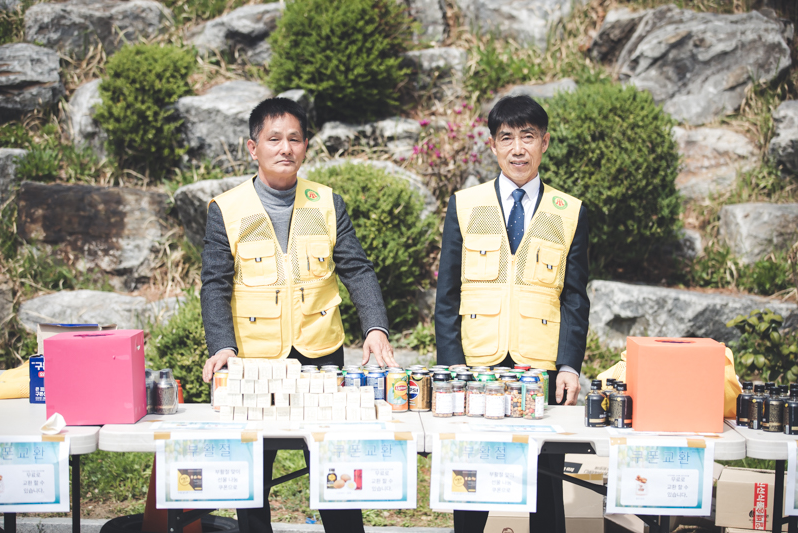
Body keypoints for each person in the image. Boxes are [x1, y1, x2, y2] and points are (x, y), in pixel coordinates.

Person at [200, 97, 397, 533]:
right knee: (254, 475)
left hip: (320, 355)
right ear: (252, 148)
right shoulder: (226, 209)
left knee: (333, 468)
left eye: (295, 138)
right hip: (254, 361)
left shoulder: (325, 202)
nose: (285, 148)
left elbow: (357, 269)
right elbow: (214, 284)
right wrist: (222, 346)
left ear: (306, 146)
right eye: (274, 139)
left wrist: (375, 327)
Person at [434, 95, 590, 533]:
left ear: (545, 142)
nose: (518, 149)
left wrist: (569, 366)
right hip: (476, 367)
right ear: (492, 145)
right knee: (471, 486)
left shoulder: (570, 212)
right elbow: (446, 296)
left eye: (528, 137)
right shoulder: (465, 205)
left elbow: (575, 298)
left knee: (546, 491)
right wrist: (453, 367)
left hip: (540, 369)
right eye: (507, 138)